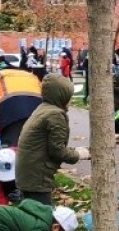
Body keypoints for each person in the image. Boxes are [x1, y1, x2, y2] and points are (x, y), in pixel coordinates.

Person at [16, 74, 90, 206]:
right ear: (60, 95)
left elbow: (47, 144)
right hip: (37, 176)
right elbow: (57, 150)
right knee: (42, 217)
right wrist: (78, 155)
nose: (70, 99)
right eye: (68, 95)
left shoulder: (43, 108)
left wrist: (75, 150)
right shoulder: (55, 114)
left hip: (28, 173)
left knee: (32, 212)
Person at [0, 49, 42, 147]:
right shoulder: (32, 76)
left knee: (11, 151)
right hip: (38, 112)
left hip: (12, 113)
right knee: (35, 148)